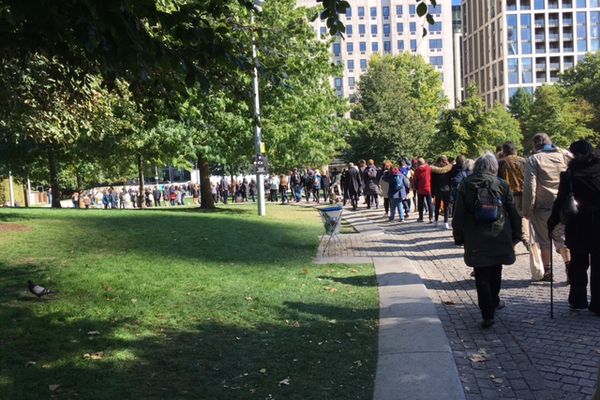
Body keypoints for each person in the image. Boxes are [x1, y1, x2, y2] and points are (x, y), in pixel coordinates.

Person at [452, 152, 522, 328]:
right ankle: (495, 300)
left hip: (475, 235)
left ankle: (487, 313)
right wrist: (517, 234)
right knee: (496, 269)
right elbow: (513, 212)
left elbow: (458, 213)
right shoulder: (501, 184)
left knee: (481, 274)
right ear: (494, 167)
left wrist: (458, 235)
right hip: (499, 233)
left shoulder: (466, 185)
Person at [548, 140, 600, 313]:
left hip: (579, 222)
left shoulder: (570, 174)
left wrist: (552, 222)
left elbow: (561, 200)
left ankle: (578, 300)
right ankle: (598, 304)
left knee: (578, 262)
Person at [523, 133, 572, 282]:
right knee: (561, 237)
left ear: (535, 145)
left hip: (543, 207)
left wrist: (527, 209)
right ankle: (570, 268)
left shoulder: (533, 159)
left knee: (544, 239)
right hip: (564, 204)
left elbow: (530, 186)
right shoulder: (564, 155)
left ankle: (548, 271)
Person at [497, 142, 545, 281]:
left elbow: (499, 181)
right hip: (524, 195)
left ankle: (522, 243)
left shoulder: (502, 163)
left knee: (512, 222)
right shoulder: (525, 161)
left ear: (505, 151)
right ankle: (522, 242)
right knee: (524, 220)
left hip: (509, 196)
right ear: (515, 150)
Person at [430, 156, 453, 229]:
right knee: (446, 207)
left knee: (437, 206)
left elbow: (432, 181)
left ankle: (436, 221)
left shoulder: (434, 169)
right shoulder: (449, 169)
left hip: (437, 189)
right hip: (447, 189)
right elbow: (450, 180)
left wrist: (432, 192)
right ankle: (445, 222)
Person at [413, 158, 433, 223]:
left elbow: (415, 180)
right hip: (428, 188)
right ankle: (431, 217)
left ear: (418, 163)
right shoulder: (429, 168)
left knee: (420, 204)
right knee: (430, 203)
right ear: (424, 162)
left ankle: (421, 218)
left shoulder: (417, 170)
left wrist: (416, 187)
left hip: (420, 189)